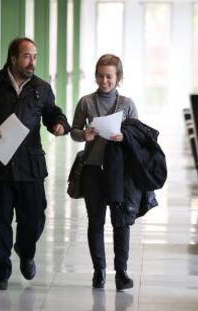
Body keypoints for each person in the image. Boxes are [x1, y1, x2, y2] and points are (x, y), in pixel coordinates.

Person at [0, 37, 71, 290]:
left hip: (30, 166)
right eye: (27, 56)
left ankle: (25, 250)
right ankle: (1, 273)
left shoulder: (41, 87)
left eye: (35, 56)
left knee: (34, 218)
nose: (32, 62)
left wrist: (58, 123)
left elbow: (52, 111)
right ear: (13, 58)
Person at [70, 54, 139, 291]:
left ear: (118, 77)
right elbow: (74, 130)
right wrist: (84, 135)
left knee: (121, 223)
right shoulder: (86, 102)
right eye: (100, 75)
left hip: (119, 173)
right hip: (93, 169)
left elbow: (137, 136)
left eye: (109, 76)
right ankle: (99, 271)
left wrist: (125, 137)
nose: (104, 80)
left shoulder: (127, 104)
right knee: (95, 222)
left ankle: (121, 272)